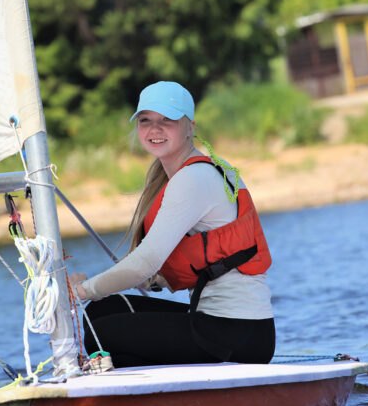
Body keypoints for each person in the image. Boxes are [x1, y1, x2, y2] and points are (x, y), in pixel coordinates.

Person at [72, 81, 275, 367]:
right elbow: (157, 268)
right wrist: (95, 290)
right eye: (145, 121)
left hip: (238, 332)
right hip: (228, 327)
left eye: (167, 120)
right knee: (102, 311)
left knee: (101, 334)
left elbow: (146, 262)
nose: (155, 129)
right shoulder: (198, 170)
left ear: (190, 126)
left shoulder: (193, 178)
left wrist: (80, 291)